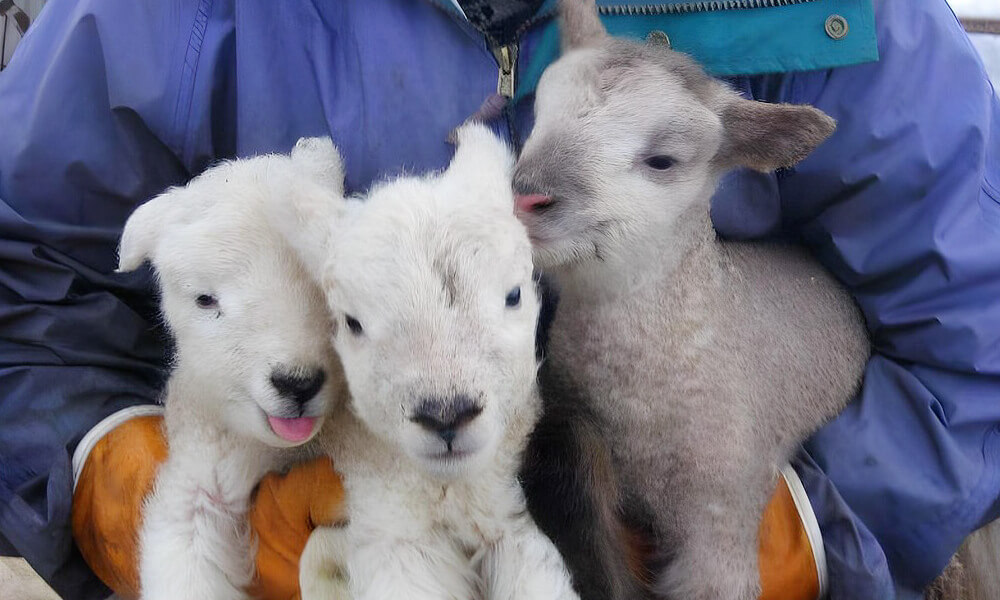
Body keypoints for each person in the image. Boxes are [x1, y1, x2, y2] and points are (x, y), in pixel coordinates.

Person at [0, 1, 997, 599]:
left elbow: (974, 327)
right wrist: (134, 489)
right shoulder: (160, 19)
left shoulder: (853, 22)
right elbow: (29, 269)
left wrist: (795, 527)